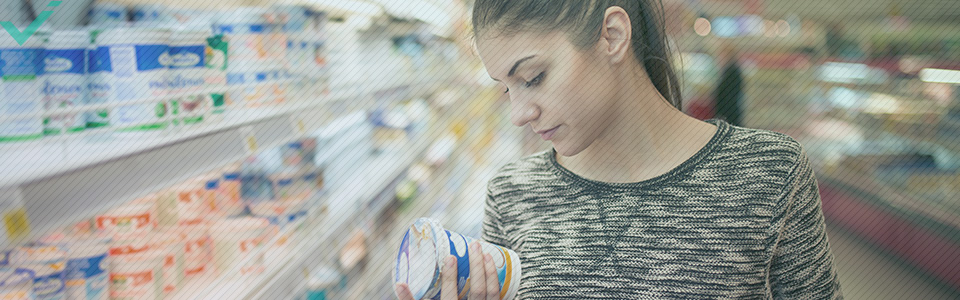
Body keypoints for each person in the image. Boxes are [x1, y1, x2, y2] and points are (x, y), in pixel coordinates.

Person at [396, 0, 843, 299]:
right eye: (506, 88)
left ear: (611, 35)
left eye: (532, 78)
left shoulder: (768, 172)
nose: (518, 113)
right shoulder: (513, 193)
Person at [714, 42, 746, 126]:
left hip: (729, 116)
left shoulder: (732, 72)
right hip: (730, 114)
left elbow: (728, 96)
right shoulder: (730, 70)